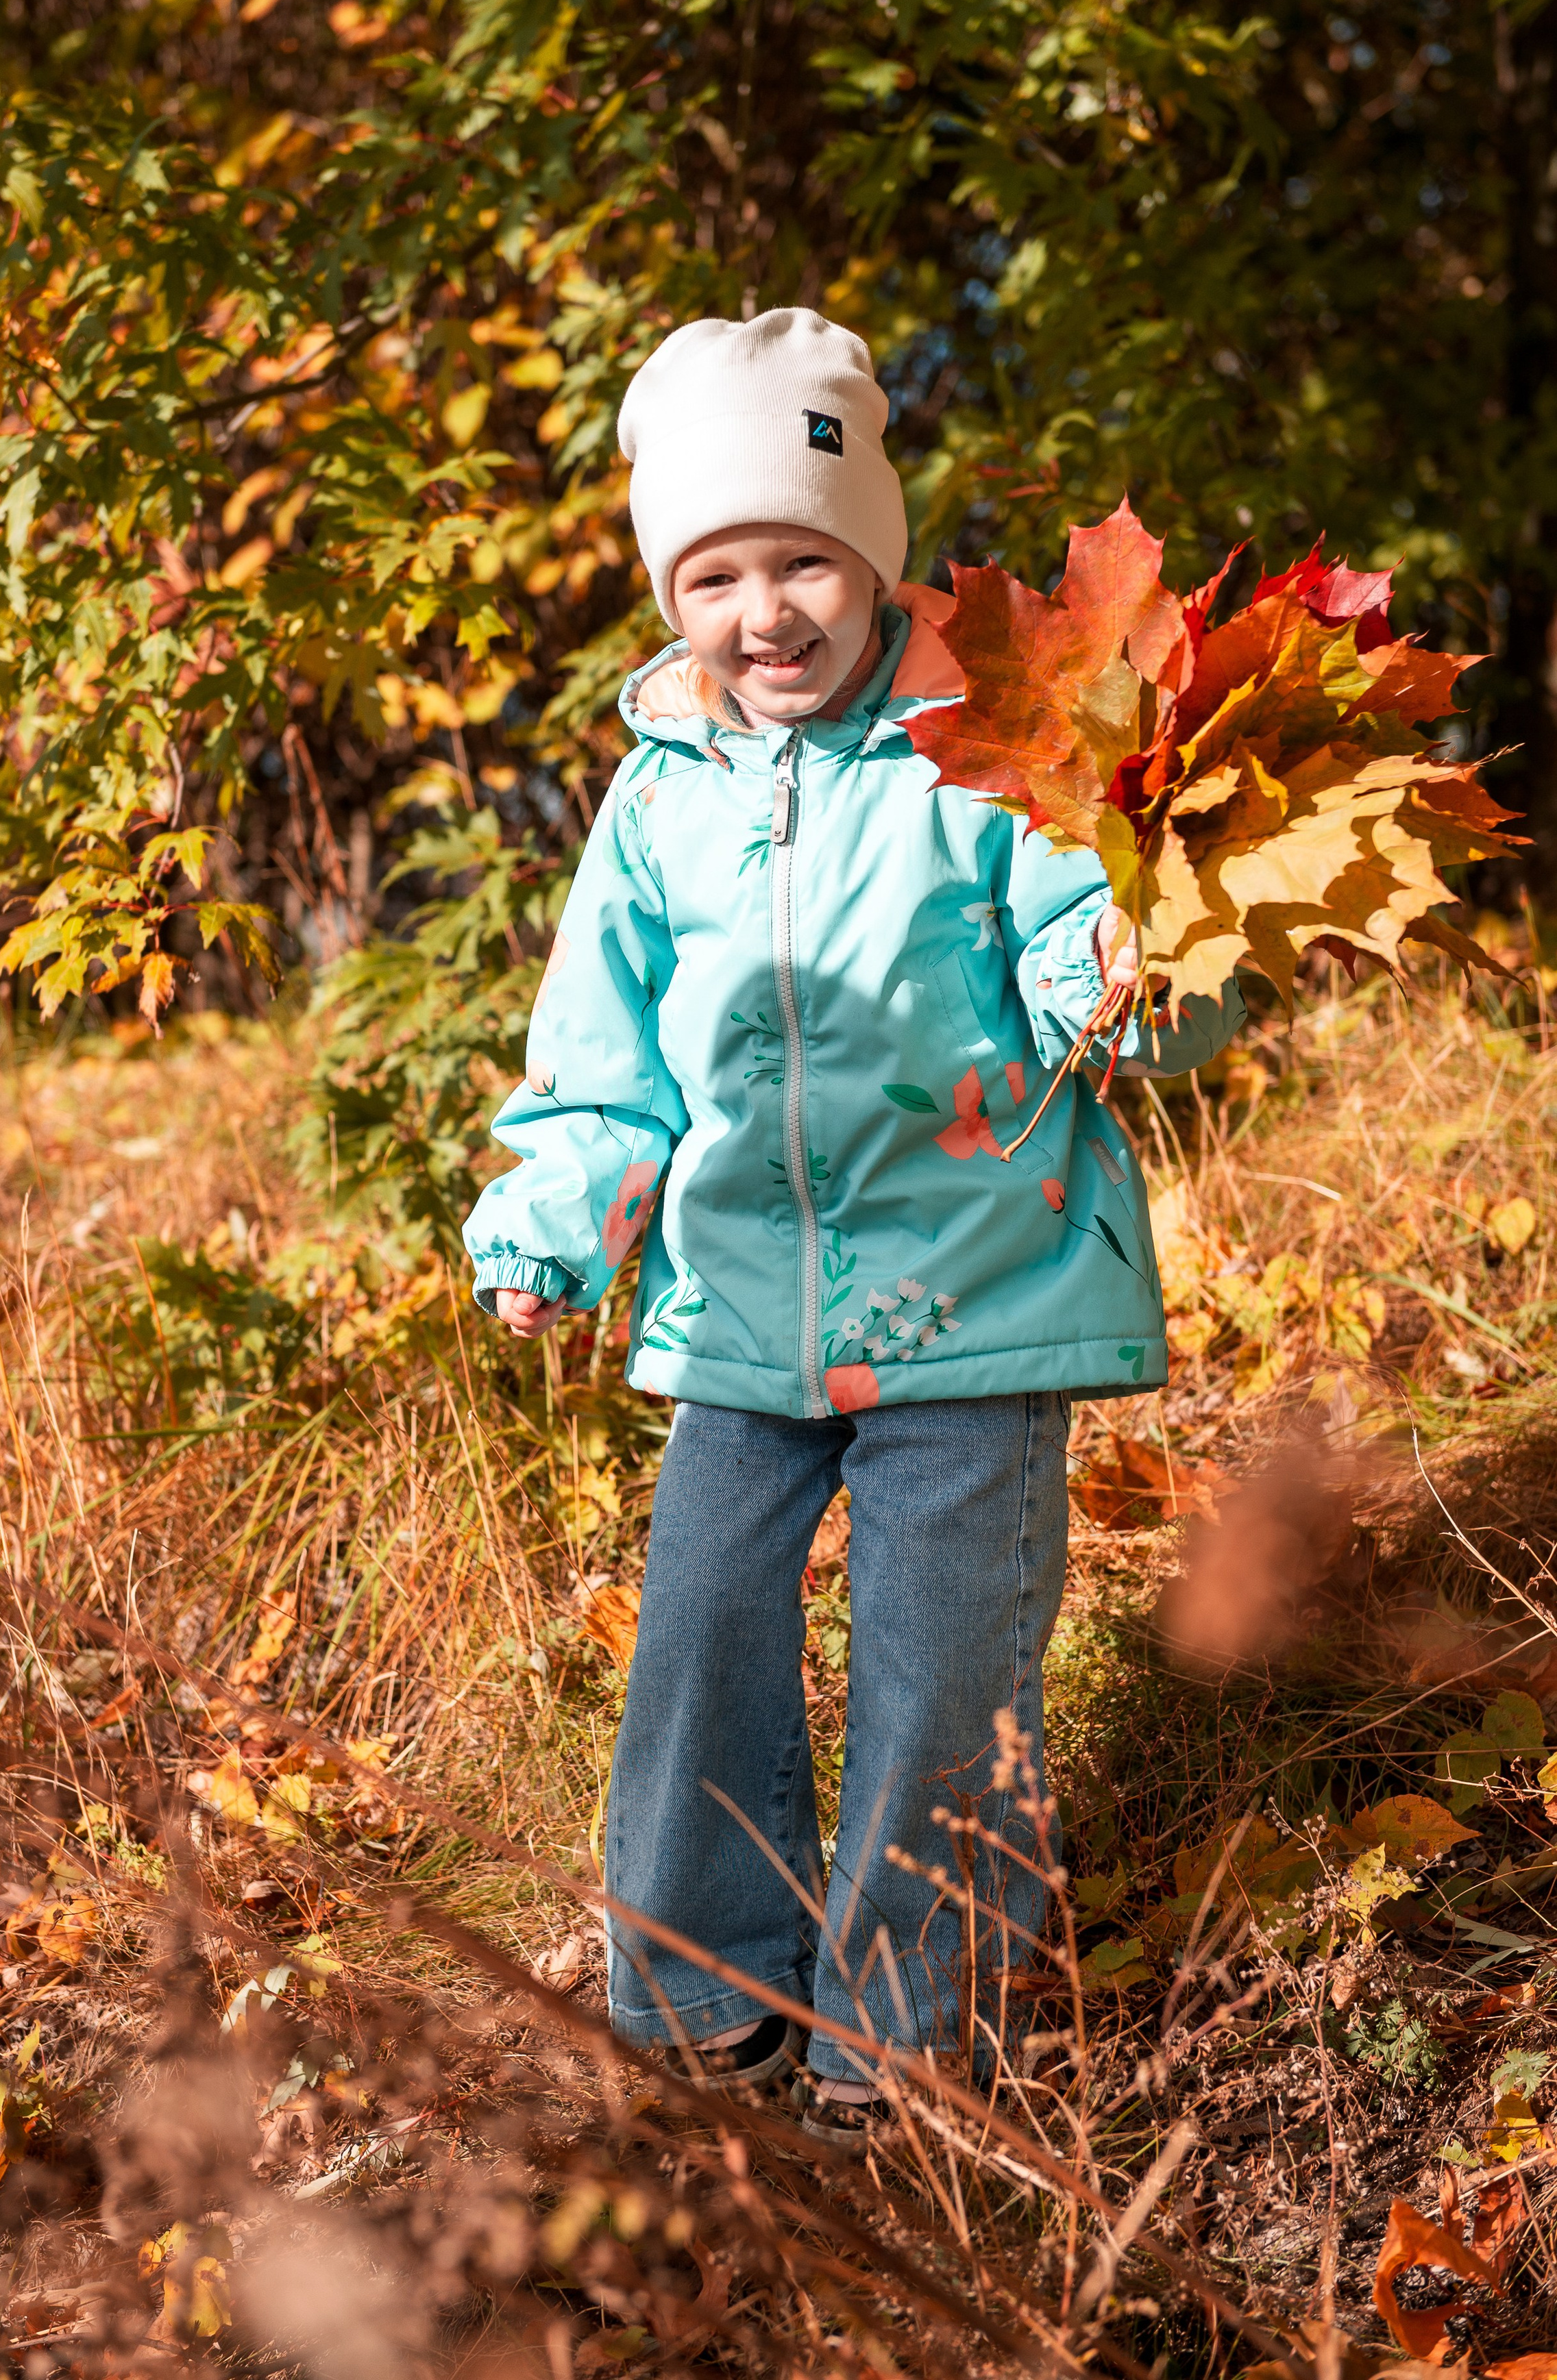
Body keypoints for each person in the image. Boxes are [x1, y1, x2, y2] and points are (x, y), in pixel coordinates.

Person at [463, 309, 1242, 2140]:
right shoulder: (655, 803)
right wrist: (555, 1219)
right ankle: (702, 1990)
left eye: (803, 559)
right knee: (703, 1624)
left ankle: (910, 2040)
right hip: (741, 1303)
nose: (767, 611)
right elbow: (605, 1061)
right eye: (716, 574)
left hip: (977, 1289)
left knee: (938, 1656)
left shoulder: (988, 752)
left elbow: (1102, 960)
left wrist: (1131, 968)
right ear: (675, 594)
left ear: (871, 554)